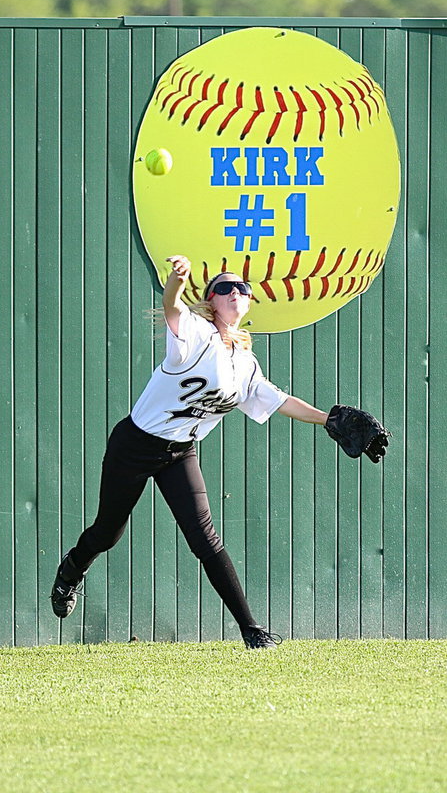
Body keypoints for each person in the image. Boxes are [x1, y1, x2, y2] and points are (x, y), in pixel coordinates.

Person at [51, 255, 330, 649]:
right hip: (135, 444)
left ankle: (252, 630)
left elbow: (280, 401)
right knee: (107, 533)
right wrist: (177, 282)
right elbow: (172, 307)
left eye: (242, 289)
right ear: (211, 301)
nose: (235, 292)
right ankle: (72, 569)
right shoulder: (197, 334)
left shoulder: (245, 363)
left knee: (206, 539)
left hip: (180, 452)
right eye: (224, 288)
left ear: (249, 303)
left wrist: (330, 420)